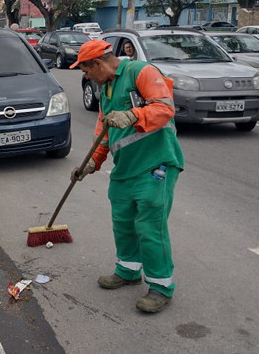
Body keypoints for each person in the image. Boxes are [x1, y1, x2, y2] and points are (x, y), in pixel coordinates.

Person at [70, 39, 183, 313]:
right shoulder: (105, 89)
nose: (86, 77)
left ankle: (160, 287)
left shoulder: (141, 72)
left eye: (86, 71)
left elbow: (165, 108)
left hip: (154, 164)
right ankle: (128, 270)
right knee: (122, 221)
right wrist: (91, 163)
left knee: (149, 227)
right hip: (125, 168)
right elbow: (103, 134)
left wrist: (132, 115)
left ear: (98, 63)